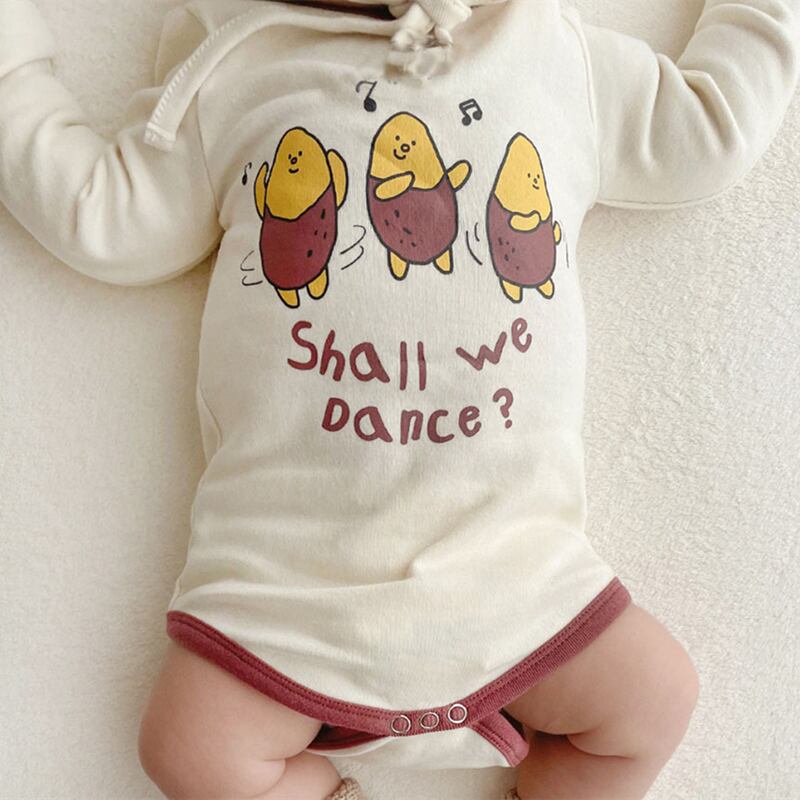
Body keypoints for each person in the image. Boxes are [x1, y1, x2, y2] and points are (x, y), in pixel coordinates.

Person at [0, 0, 797, 797]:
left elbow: (707, 128)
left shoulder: (551, 54)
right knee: (187, 749)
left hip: (517, 581)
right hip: (283, 593)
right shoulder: (237, 63)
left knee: (655, 699)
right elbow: (103, 212)